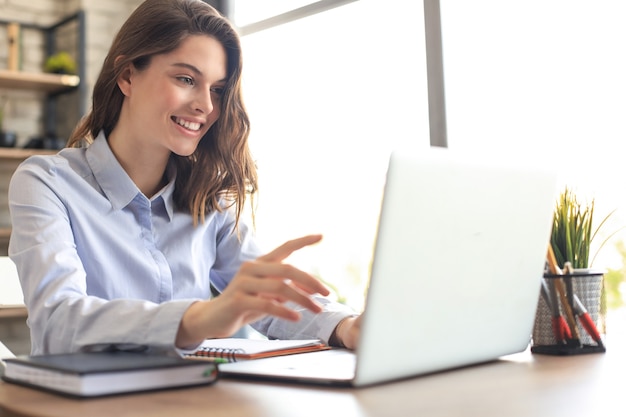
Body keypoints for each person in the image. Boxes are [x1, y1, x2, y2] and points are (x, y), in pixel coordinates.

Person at [8, 0, 360, 356]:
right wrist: (200, 318)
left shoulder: (208, 198)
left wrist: (346, 327)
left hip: (193, 399)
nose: (206, 106)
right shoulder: (47, 183)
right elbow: (58, 321)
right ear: (128, 76)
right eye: (186, 79)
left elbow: (269, 297)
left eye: (217, 90)